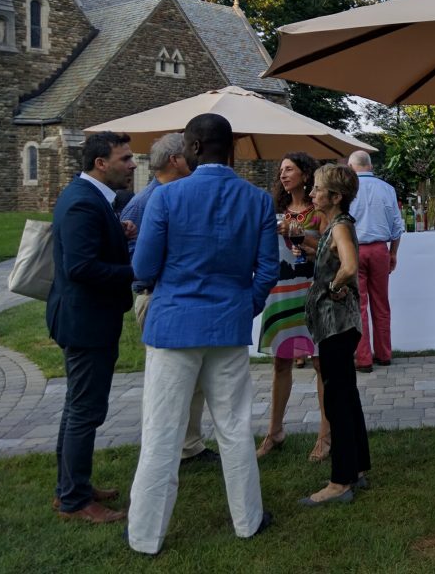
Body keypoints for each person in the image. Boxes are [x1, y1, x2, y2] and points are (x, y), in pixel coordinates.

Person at [127, 114, 279, 555]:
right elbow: (267, 270)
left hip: (174, 324)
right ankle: (248, 521)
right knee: (233, 426)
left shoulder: (168, 196)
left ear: (192, 147)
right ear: (229, 147)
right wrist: (241, 306)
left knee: (162, 430)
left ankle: (145, 535)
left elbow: (143, 267)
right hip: (228, 326)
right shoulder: (257, 200)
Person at [47, 132, 137, 523]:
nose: (133, 165)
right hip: (86, 321)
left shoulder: (91, 198)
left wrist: (119, 232)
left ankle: (71, 486)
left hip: (85, 317)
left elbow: (87, 251)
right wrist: (136, 272)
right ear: (101, 163)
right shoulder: (83, 203)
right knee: (85, 411)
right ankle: (75, 501)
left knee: (77, 408)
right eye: (126, 158)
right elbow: (80, 267)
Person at [120, 133, 216, 465]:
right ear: (176, 160)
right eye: (192, 151)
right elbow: (135, 263)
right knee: (170, 384)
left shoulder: (173, 196)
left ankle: (189, 445)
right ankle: (169, 450)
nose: (196, 157)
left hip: (177, 299)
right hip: (158, 298)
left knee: (194, 381)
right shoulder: (149, 202)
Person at [300, 164, 371, 505]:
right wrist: (314, 251)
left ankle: (340, 481)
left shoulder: (341, 227)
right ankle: (357, 467)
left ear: (336, 197)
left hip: (337, 325)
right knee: (346, 395)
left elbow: (350, 266)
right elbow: (336, 256)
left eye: (317, 189)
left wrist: (333, 285)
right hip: (341, 325)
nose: (312, 194)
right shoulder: (336, 225)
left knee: (337, 399)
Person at [256, 153, 331, 462]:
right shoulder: (275, 210)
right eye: (281, 169)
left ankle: (325, 436)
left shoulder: (319, 211)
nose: (283, 174)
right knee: (280, 362)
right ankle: (275, 431)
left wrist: (299, 235)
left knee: (319, 363)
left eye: (289, 169)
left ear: (305, 174)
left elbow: (330, 251)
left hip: (312, 290)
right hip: (282, 291)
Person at [347, 150, 404, 373]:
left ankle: (363, 359)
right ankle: (384, 354)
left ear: (351, 167)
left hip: (354, 249)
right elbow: (397, 227)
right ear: (370, 166)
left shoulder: (347, 189)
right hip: (380, 249)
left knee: (358, 305)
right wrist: (393, 253)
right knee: (381, 303)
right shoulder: (387, 189)